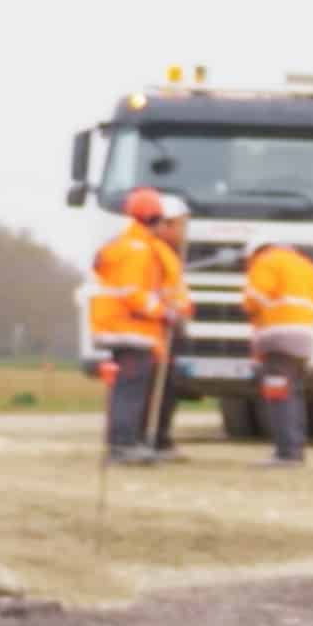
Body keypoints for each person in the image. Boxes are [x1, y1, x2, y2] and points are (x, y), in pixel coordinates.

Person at [88, 188, 192, 467]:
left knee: (130, 388)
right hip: (131, 329)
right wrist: (164, 313)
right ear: (155, 218)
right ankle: (122, 445)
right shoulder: (137, 250)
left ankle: (126, 442)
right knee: (130, 390)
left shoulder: (131, 245)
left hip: (127, 328)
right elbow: (133, 293)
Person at [241, 241, 313, 468]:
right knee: (294, 394)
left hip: (276, 339)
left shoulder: (267, 262)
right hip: (303, 339)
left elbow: (254, 299)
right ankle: (295, 449)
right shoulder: (308, 267)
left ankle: (286, 452)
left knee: (279, 395)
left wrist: (256, 313)